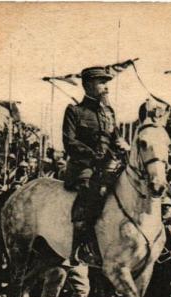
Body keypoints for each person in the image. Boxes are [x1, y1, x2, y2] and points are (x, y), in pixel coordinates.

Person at [62, 66, 128, 265]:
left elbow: (115, 137)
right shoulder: (75, 111)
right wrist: (94, 155)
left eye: (106, 83)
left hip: (108, 165)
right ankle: (81, 246)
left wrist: (122, 143)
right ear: (88, 85)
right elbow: (69, 142)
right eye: (102, 83)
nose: (106, 87)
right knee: (91, 192)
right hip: (84, 166)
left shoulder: (109, 112)